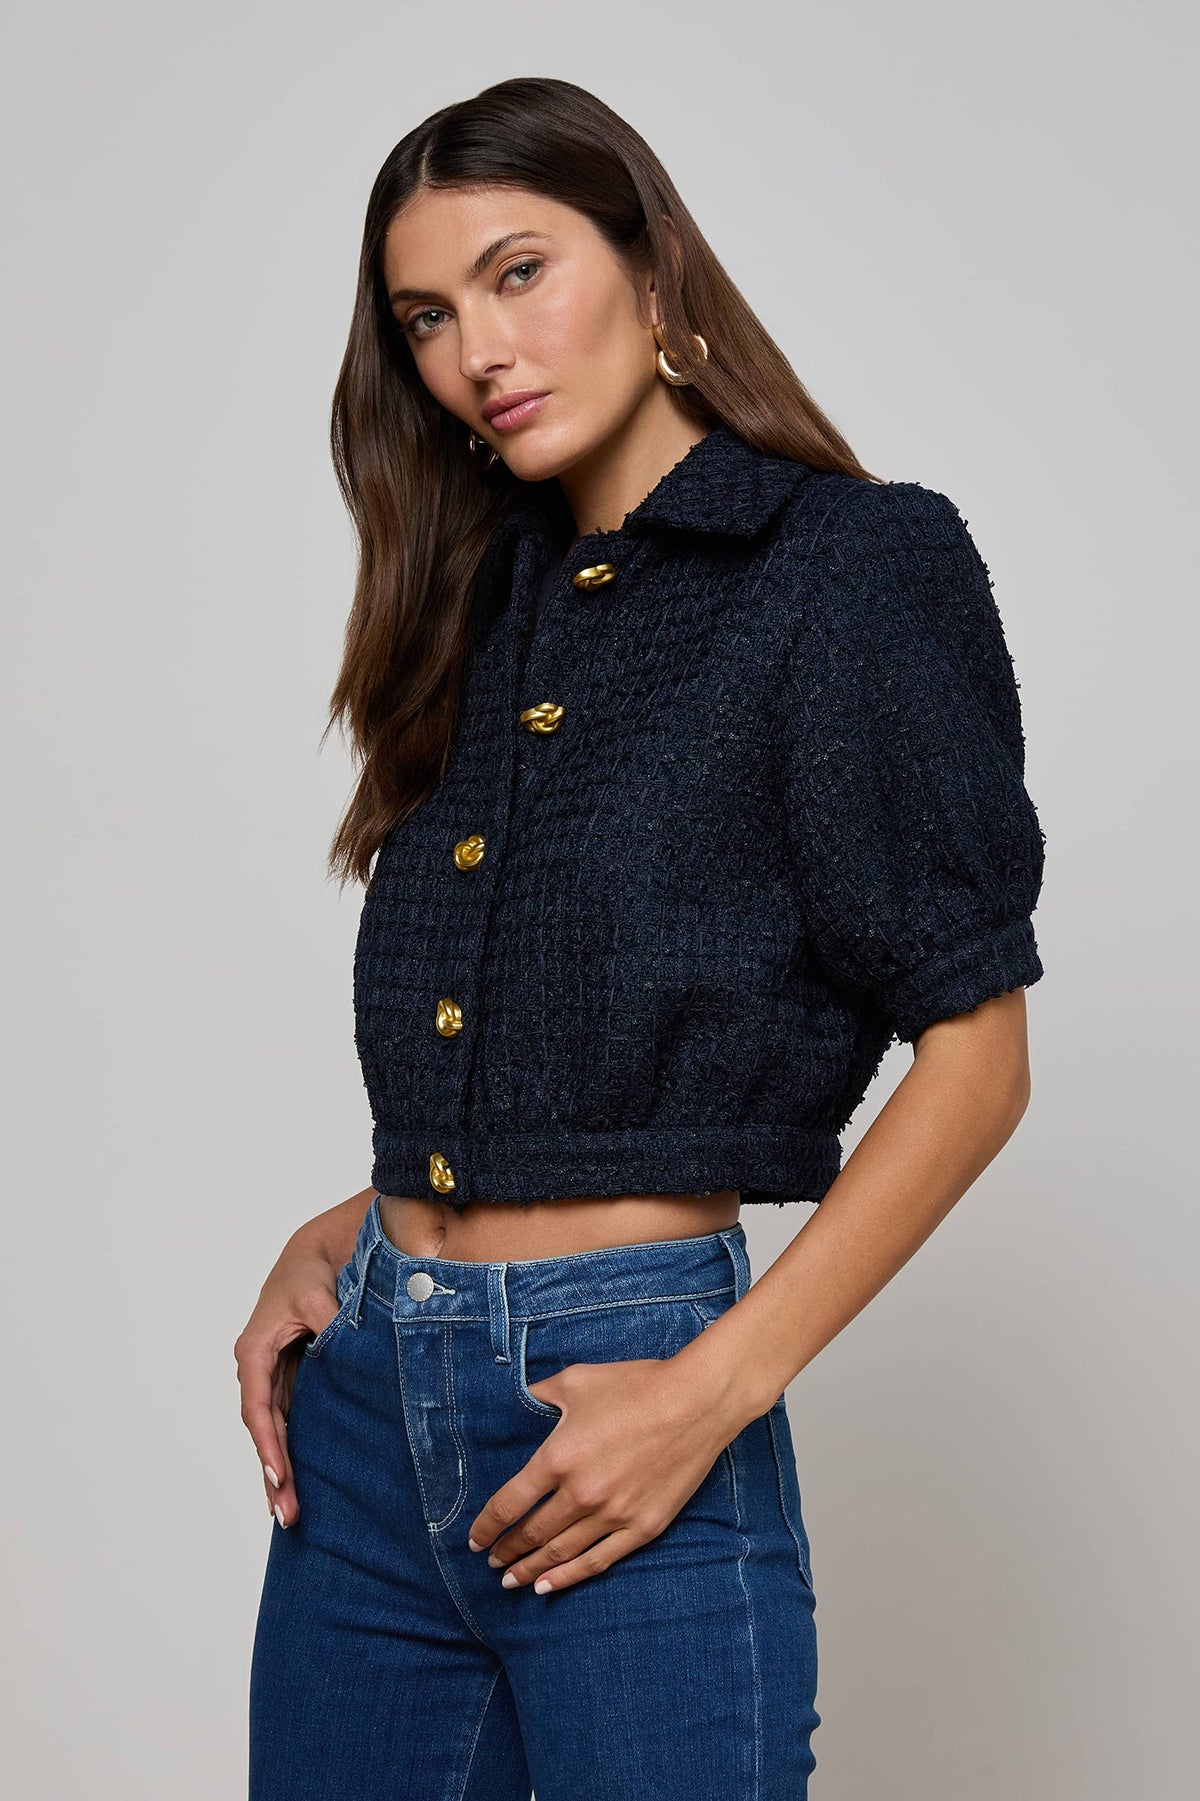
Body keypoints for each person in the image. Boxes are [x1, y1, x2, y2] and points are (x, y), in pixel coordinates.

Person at [236, 76, 1046, 1801]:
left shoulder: (847, 566)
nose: (478, 351)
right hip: (364, 1428)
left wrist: (709, 1390)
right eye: (428, 317)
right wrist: (362, 1225)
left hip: (627, 1403)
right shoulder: (482, 595)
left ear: (654, 264)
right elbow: (564, 1021)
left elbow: (980, 1056)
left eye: (520, 272)